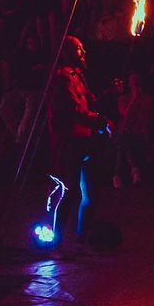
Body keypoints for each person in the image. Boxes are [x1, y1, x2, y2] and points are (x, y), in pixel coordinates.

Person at [47, 35, 116, 245]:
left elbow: (90, 105)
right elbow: (73, 110)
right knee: (69, 191)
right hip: (69, 141)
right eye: (78, 49)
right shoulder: (62, 77)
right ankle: (56, 239)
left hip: (85, 140)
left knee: (91, 193)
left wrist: (110, 94)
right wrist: (100, 120)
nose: (83, 52)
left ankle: (81, 239)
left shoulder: (77, 75)